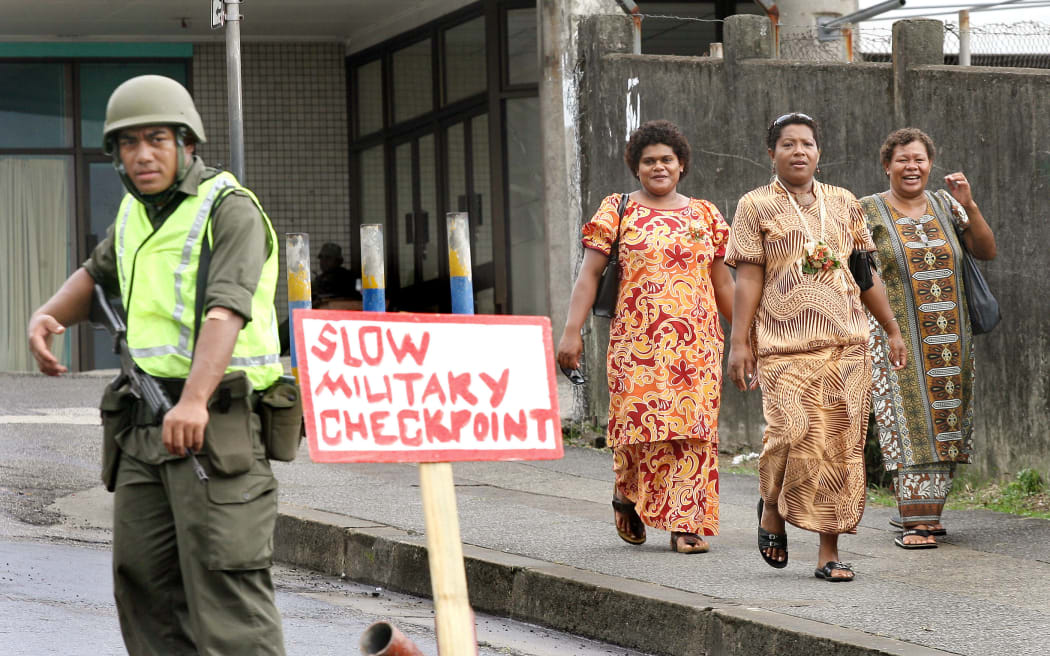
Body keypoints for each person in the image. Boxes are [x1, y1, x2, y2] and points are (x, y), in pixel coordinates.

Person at [26, 75, 286, 654]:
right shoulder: (135, 213)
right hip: (145, 424)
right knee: (144, 586)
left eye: (157, 139)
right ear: (116, 155)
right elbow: (97, 272)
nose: (143, 154)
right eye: (129, 143)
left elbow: (226, 309)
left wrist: (194, 398)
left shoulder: (229, 209)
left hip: (218, 421)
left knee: (227, 595)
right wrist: (50, 315)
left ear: (187, 143)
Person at [725, 113, 907, 581]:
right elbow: (748, 278)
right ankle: (771, 506)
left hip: (847, 344)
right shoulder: (754, 205)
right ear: (772, 153)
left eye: (807, 143)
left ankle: (829, 552)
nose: (799, 151)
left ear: (819, 152)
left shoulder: (845, 202)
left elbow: (864, 274)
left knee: (840, 447)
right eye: (788, 144)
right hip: (785, 347)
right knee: (790, 433)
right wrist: (739, 343)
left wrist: (890, 328)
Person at [557, 120, 734, 554]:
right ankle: (627, 494)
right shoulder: (617, 211)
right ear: (636, 167)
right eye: (649, 160)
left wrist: (749, 338)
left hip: (697, 347)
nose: (658, 166)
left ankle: (686, 523)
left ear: (681, 165)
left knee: (692, 432)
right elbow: (589, 276)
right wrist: (570, 333)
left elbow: (724, 284)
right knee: (640, 430)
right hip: (636, 346)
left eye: (666, 160)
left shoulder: (705, 215)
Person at [860, 128, 997, 549]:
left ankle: (927, 517)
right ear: (887, 165)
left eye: (919, 159)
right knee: (907, 421)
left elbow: (985, 250)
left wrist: (969, 204)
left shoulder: (945, 204)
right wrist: (886, 328)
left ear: (930, 164)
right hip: (894, 337)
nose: (911, 167)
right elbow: (860, 272)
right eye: (902, 159)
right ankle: (916, 520)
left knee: (947, 421)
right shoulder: (867, 211)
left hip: (951, 339)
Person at [313, 241, 361, 307]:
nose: (323, 261)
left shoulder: (346, 277)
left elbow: (352, 300)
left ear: (339, 261)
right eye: (321, 257)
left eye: (328, 257)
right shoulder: (321, 278)